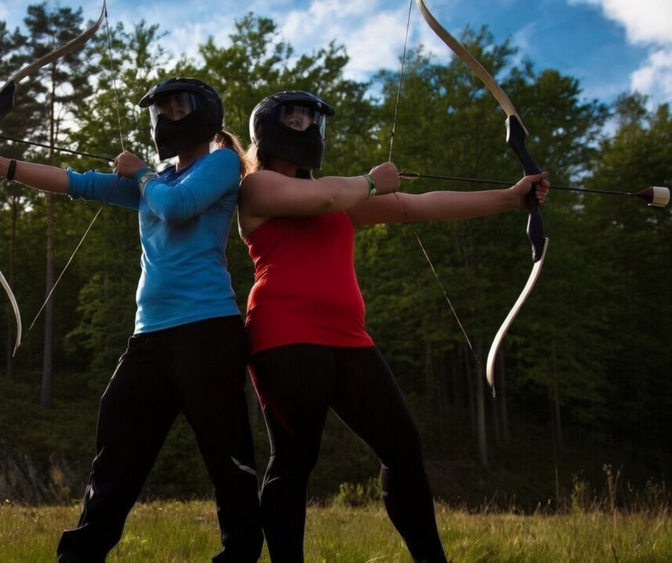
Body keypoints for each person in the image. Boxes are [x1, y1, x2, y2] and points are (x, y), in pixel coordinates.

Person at [236, 90, 550, 563]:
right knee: (295, 458)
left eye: (314, 120)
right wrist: (370, 180)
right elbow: (324, 196)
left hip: (349, 338)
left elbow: (418, 205)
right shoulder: (257, 188)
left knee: (402, 446)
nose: (308, 127)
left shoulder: (343, 197)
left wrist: (510, 198)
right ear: (271, 129)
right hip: (284, 336)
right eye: (297, 119)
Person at [0, 77, 263, 563]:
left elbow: (178, 207)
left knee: (227, 457)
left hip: (208, 331)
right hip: (150, 337)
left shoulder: (222, 163)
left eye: (178, 107)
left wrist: (141, 174)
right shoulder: (156, 180)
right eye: (161, 110)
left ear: (205, 113)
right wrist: (0, 165)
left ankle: (240, 555)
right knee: (116, 453)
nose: (167, 117)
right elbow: (77, 183)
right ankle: (80, 555)